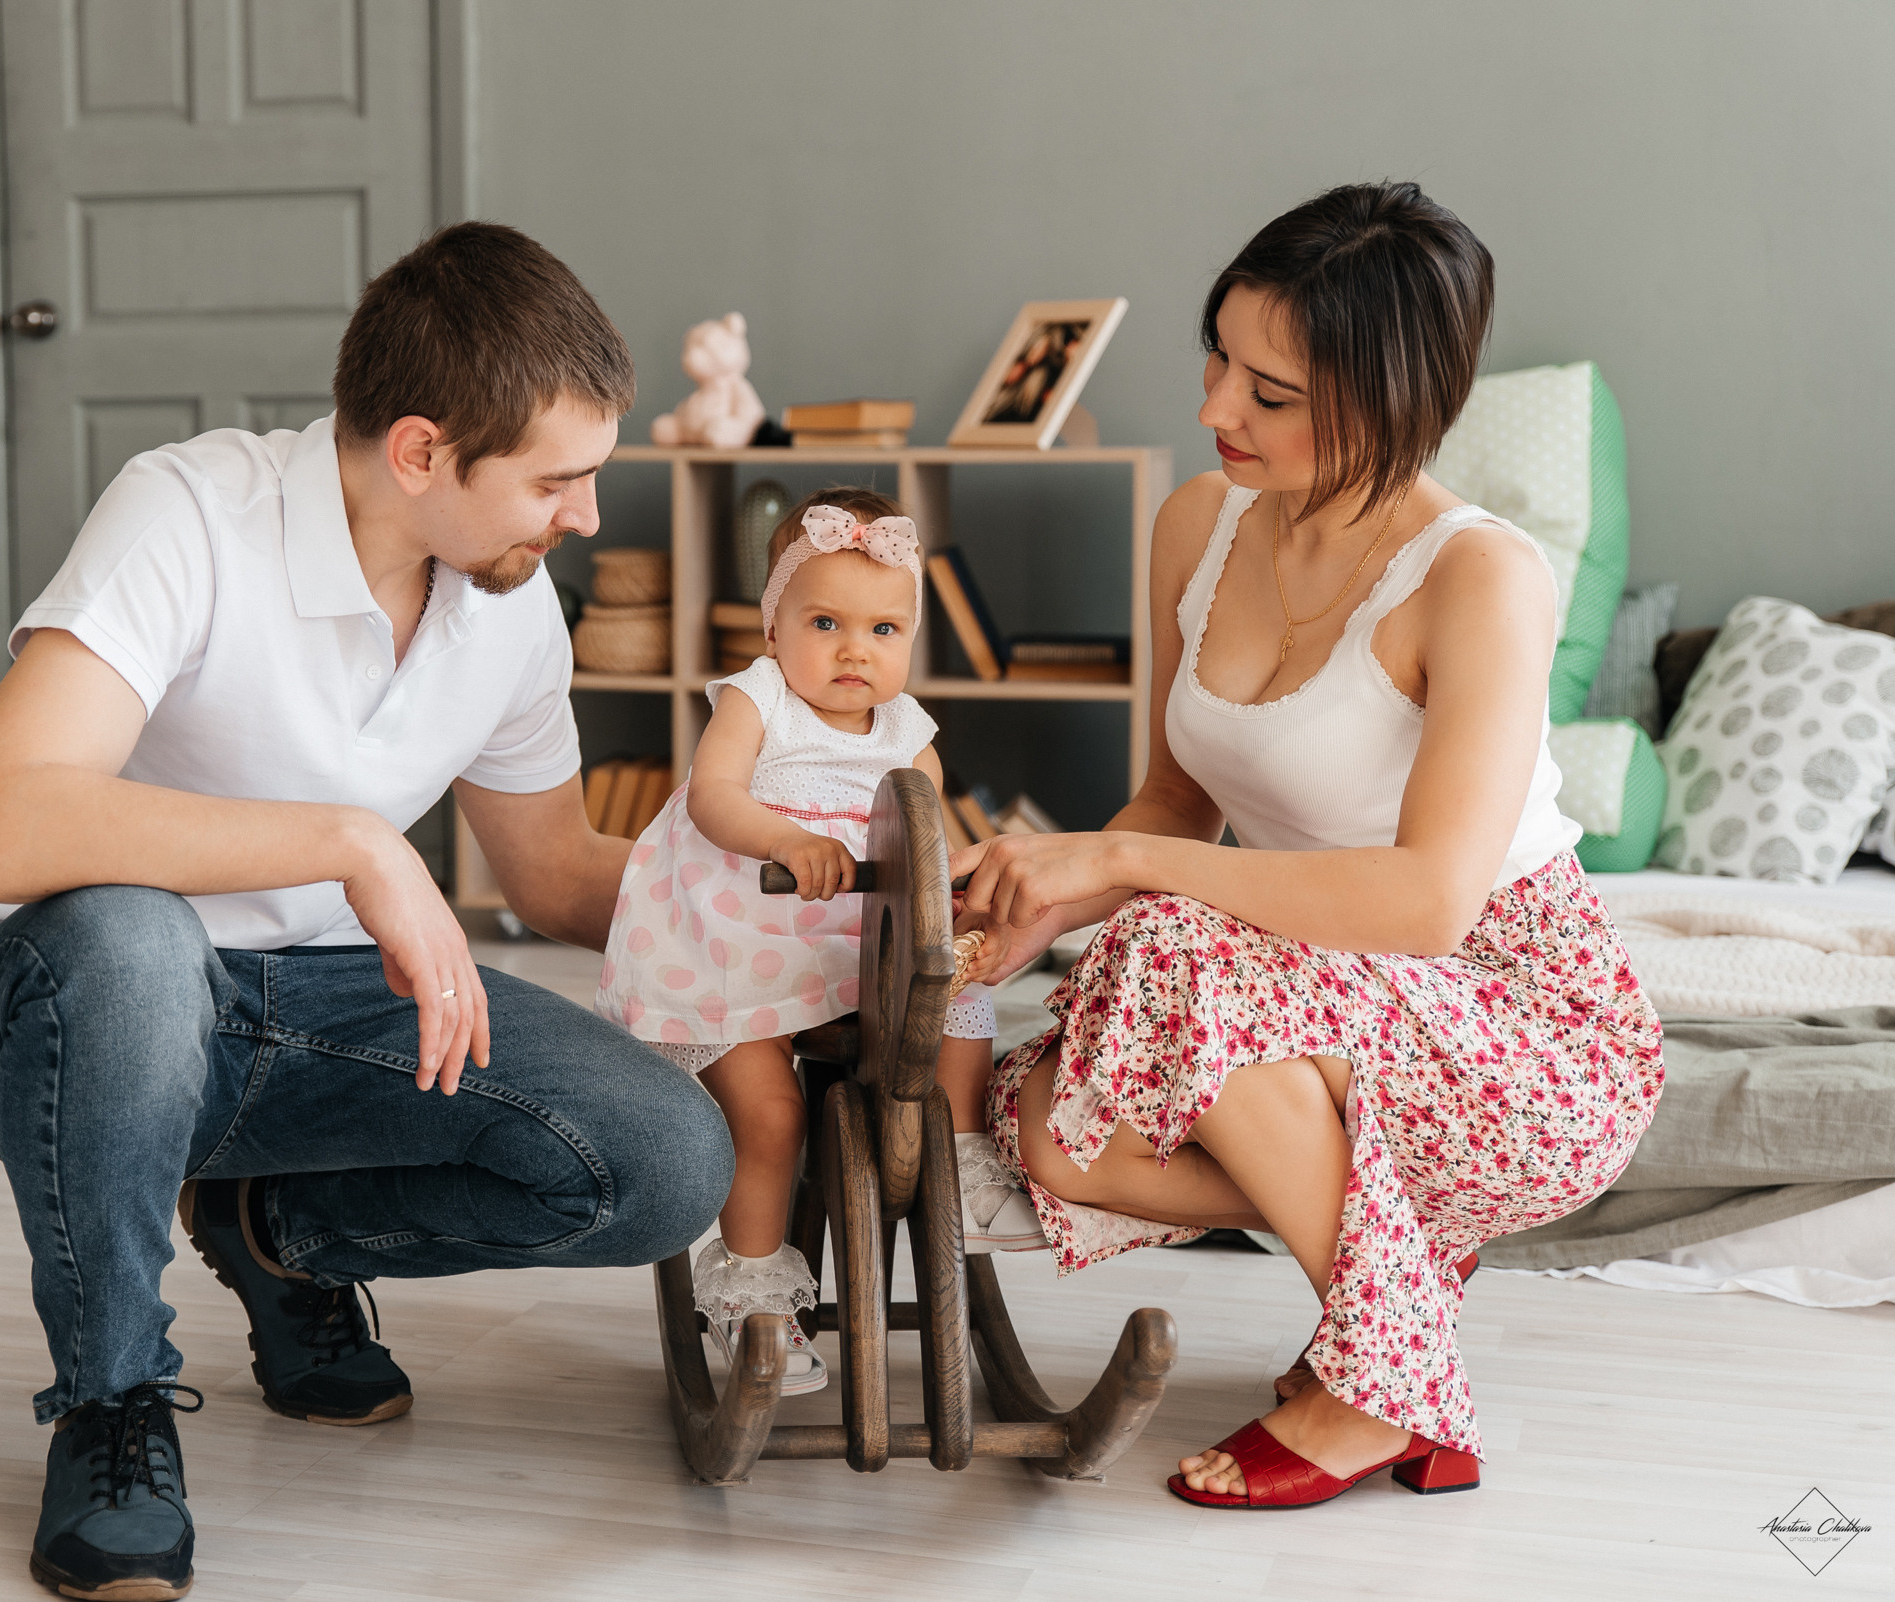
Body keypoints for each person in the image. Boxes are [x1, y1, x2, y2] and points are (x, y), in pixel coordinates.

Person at [0, 222, 734, 1600]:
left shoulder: (512, 601)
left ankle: (272, 1230)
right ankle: (111, 1402)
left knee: (666, 1159)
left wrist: (805, 899)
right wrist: (354, 843)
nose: (585, 516)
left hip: (315, 1017)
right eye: (558, 479)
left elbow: (552, 880)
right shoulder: (186, 513)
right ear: (421, 452)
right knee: (134, 934)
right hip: (65, 1016)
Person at [951, 182, 1665, 1509]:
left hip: (1515, 1016)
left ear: (1396, 399)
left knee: (1170, 946)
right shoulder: (1197, 528)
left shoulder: (1479, 574)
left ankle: (1377, 1383)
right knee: (1050, 1131)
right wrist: (1037, 899)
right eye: (1217, 355)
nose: (1218, 407)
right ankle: (1407, 1321)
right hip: (1285, 972)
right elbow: (1171, 802)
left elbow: (1430, 901)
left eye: (1270, 393)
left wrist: (1122, 870)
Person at [596, 488, 1042, 1397]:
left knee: (961, 991)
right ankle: (757, 1304)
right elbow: (715, 795)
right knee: (771, 1118)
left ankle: (960, 1149)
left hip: (855, 951)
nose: (854, 650)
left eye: (884, 630)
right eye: (826, 621)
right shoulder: (758, 701)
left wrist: (963, 914)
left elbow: (925, 857)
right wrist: (785, 840)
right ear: (773, 629)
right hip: (741, 942)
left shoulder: (910, 736)